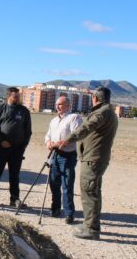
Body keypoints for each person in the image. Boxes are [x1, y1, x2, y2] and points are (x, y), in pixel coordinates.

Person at [58, 87, 118, 240]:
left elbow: (86, 127)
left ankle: (91, 229)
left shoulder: (102, 112)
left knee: (89, 192)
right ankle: (90, 224)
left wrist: (68, 139)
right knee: (93, 191)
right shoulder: (108, 111)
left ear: (96, 98)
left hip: (93, 159)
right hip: (95, 158)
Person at [0, 87, 32, 207]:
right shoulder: (0, 109)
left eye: (18, 96)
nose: (17, 98)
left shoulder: (24, 111)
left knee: (14, 175)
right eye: (15, 96)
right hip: (0, 148)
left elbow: (28, 131)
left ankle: (14, 199)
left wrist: (23, 147)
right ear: (9, 96)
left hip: (17, 150)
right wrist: (1, 141)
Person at [45, 96, 82, 224]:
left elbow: (75, 135)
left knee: (67, 185)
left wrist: (61, 143)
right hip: (54, 154)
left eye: (60, 104)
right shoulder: (54, 120)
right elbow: (48, 135)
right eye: (56, 104)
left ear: (68, 105)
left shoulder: (74, 118)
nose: (57, 107)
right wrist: (49, 142)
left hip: (67, 155)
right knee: (54, 183)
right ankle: (55, 208)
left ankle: (69, 213)